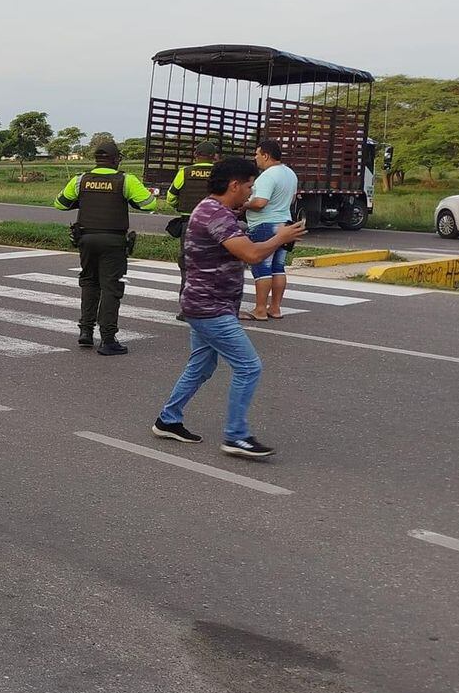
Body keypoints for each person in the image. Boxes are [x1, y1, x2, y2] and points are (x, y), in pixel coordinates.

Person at [152, 157, 307, 458]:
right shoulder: (215, 214)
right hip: (210, 307)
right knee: (249, 366)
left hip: (206, 303)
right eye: (249, 186)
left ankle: (168, 420)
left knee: (202, 366)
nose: (250, 193)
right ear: (234, 185)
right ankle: (236, 436)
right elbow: (250, 254)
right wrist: (280, 237)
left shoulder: (215, 210)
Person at [54, 139, 158, 356]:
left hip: (87, 239)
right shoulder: (125, 180)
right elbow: (150, 205)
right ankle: (108, 339)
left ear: (97, 159)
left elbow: (60, 203)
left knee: (89, 283)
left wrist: (81, 200)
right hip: (113, 241)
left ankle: (85, 332)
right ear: (116, 159)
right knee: (111, 287)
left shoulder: (81, 180)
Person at [242, 138, 299, 321]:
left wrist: (244, 205)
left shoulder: (268, 175)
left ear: (266, 155)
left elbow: (260, 203)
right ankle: (275, 308)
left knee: (262, 267)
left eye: (257, 154)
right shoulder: (290, 174)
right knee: (278, 268)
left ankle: (259, 309)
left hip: (264, 225)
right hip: (285, 225)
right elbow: (290, 201)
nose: (256, 158)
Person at [166, 139, 220, 319]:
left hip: (189, 223)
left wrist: (179, 207)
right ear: (214, 157)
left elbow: (171, 197)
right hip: (215, 224)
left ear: (196, 155)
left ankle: (186, 308)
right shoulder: (220, 173)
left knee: (187, 265)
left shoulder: (185, 172)